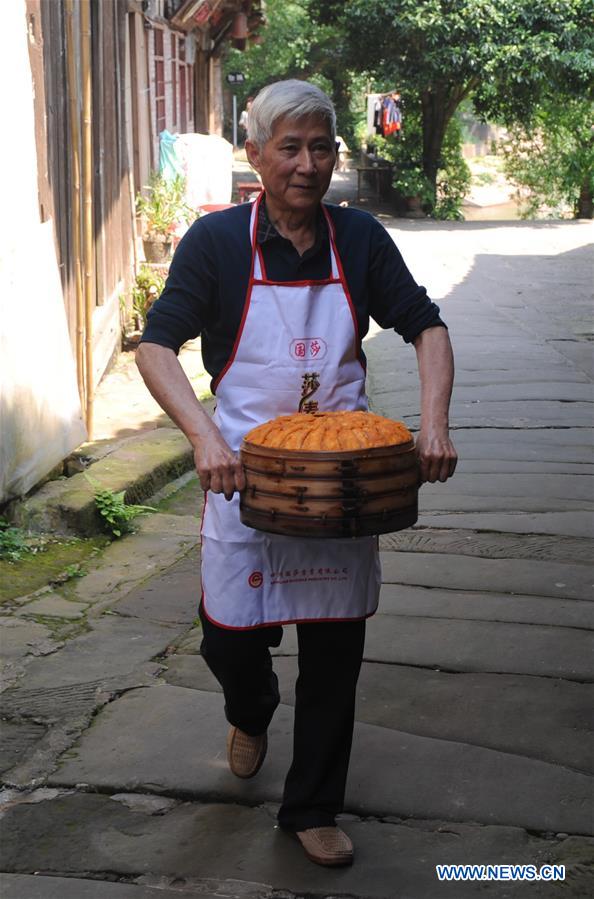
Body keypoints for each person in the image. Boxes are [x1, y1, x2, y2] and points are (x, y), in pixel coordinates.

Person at [136, 79, 457, 868]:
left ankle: (311, 805)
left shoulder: (360, 239)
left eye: (321, 147)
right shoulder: (215, 244)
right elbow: (155, 347)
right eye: (290, 148)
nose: (308, 165)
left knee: (335, 650)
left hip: (342, 482)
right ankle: (250, 705)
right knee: (229, 641)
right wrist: (205, 438)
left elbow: (426, 326)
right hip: (244, 480)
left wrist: (435, 425)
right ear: (255, 156)